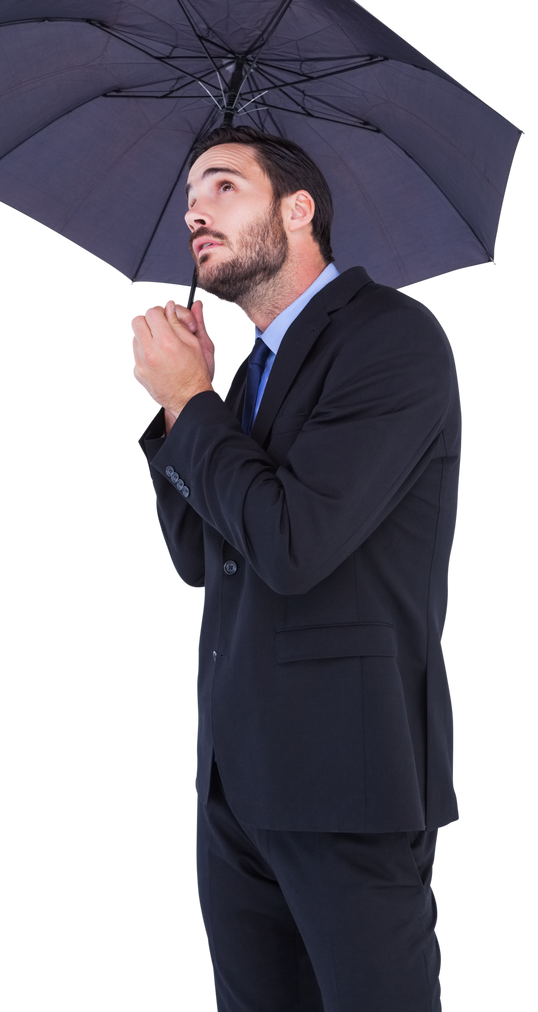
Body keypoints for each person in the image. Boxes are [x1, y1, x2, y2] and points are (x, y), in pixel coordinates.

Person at [128, 125, 462, 1011]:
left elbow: (292, 545)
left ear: (298, 208)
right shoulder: (249, 375)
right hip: (235, 781)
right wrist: (179, 414)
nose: (195, 211)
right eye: (191, 194)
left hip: (346, 780)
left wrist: (191, 401)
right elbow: (203, 557)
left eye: (223, 186)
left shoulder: (393, 339)